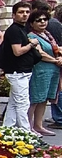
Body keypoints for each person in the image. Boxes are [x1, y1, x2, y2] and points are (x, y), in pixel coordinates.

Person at [0, 2, 39, 131]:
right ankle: (26, 131)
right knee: (23, 103)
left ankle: (7, 128)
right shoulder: (14, 30)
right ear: (14, 15)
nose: (25, 15)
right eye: (21, 12)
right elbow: (17, 51)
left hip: (22, 71)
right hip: (17, 72)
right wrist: (32, 45)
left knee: (14, 103)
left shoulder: (23, 28)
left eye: (27, 12)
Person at [26, 8, 62, 136]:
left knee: (44, 99)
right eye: (38, 20)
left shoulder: (47, 34)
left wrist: (60, 57)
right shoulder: (31, 36)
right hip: (40, 70)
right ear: (32, 23)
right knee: (35, 98)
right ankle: (29, 126)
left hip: (52, 71)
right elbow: (40, 53)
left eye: (45, 19)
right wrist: (55, 61)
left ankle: (38, 125)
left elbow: (56, 49)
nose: (42, 22)